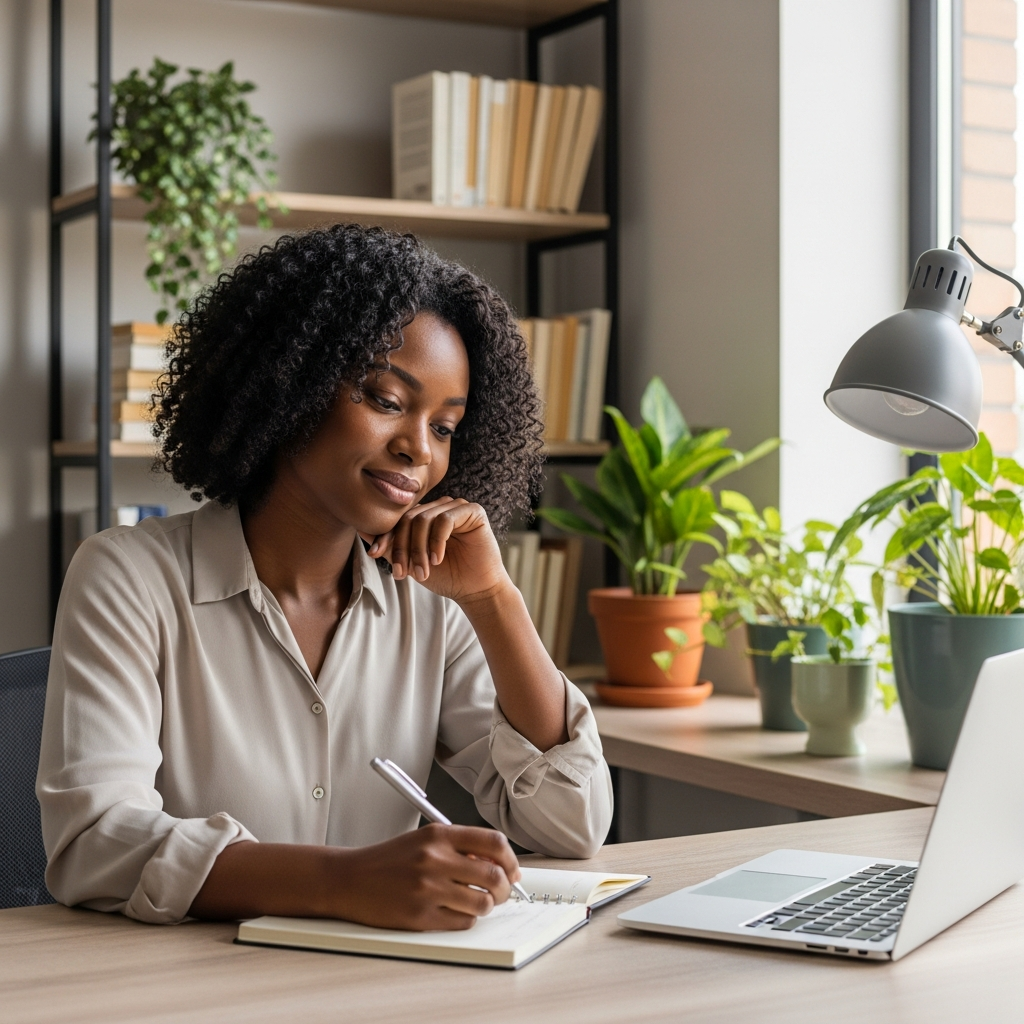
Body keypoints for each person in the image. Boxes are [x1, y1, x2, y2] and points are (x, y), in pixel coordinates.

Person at [37, 224, 613, 931]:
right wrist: (345, 881)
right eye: (385, 399)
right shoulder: (129, 578)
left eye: (445, 427)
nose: (416, 450)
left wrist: (494, 600)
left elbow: (568, 824)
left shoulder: (427, 600)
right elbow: (94, 843)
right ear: (291, 382)